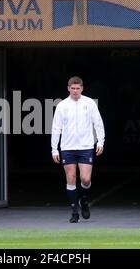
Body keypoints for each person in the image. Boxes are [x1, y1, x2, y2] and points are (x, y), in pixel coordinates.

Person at [51, 76, 105, 223]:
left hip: (86, 146)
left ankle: (85, 200)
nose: (75, 91)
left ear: (82, 88)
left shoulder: (89, 103)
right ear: (68, 88)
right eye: (73, 88)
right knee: (71, 178)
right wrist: (54, 149)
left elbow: (98, 123)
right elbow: (56, 128)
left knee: (85, 179)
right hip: (67, 147)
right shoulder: (62, 105)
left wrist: (100, 141)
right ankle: (74, 211)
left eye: (78, 88)